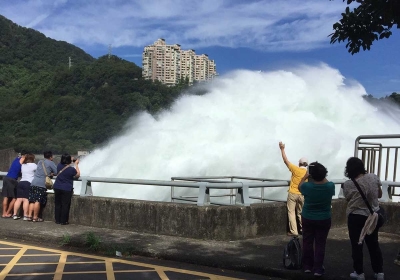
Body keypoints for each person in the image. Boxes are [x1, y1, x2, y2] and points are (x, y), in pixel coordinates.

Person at [343, 157, 384, 280]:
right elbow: (380, 194)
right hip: (373, 216)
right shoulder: (373, 177)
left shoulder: (348, 184)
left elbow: (348, 199)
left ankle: (359, 273)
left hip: (356, 217)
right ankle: (379, 272)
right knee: (373, 244)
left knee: (357, 245)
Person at [299, 162, 335, 277]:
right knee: (320, 243)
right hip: (324, 218)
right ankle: (318, 269)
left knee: (307, 242)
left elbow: (299, 187)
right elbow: (327, 181)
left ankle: (307, 266)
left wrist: (305, 176)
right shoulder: (330, 186)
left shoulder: (307, 186)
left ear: (312, 175)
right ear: (324, 174)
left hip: (308, 217)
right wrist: (321, 173)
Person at [279, 141, 307, 236]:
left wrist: (282, 149)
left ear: (299, 164)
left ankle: (294, 232)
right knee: (301, 213)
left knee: (291, 212)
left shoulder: (295, 169)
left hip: (293, 193)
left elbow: (285, 160)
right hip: (302, 194)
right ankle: (303, 230)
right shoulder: (308, 173)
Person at [28, 151, 57, 222]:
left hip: (33, 183)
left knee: (32, 201)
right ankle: (35, 217)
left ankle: (29, 216)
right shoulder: (51, 163)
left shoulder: (40, 162)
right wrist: (51, 174)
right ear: (51, 157)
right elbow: (56, 172)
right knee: (37, 201)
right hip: (41, 184)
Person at [53, 154, 80, 225]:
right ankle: (63, 221)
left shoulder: (59, 166)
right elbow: (78, 175)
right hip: (66, 188)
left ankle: (57, 220)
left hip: (57, 187)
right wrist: (76, 164)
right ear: (69, 161)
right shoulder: (71, 169)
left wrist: (69, 159)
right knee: (65, 205)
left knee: (58, 204)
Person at [2, 150, 27, 218]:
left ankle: (3, 213)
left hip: (6, 178)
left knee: (6, 197)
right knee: (14, 198)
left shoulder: (16, 158)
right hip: (12, 179)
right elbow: (23, 169)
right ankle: (8, 212)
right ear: (25, 155)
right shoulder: (23, 159)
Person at [12, 153, 37, 220]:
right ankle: (25, 216)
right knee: (26, 200)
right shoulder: (34, 165)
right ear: (32, 158)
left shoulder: (23, 165)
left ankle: (14, 214)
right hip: (28, 183)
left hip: (21, 182)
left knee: (18, 200)